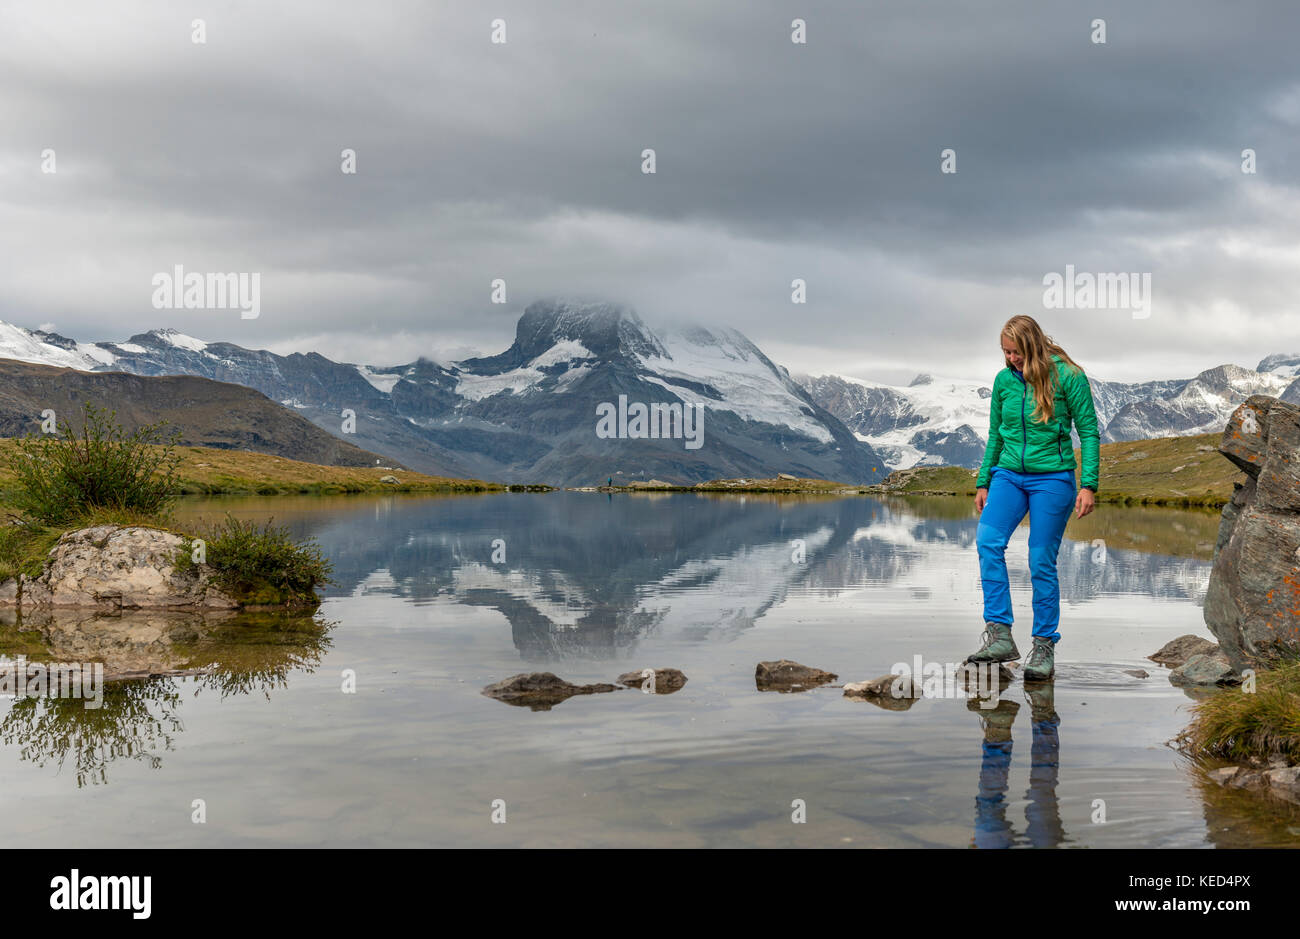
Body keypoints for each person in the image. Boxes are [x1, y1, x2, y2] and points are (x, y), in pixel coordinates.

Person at [967, 315, 1099, 681]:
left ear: (1033, 345)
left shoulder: (1068, 376)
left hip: (1053, 478)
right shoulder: (1004, 381)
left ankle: (1043, 646)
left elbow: (1088, 432)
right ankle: (999, 634)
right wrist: (984, 482)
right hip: (1008, 475)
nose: (1011, 359)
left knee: (1040, 559)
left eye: (1016, 351)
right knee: (987, 542)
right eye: (1006, 352)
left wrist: (1088, 484)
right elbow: (996, 434)